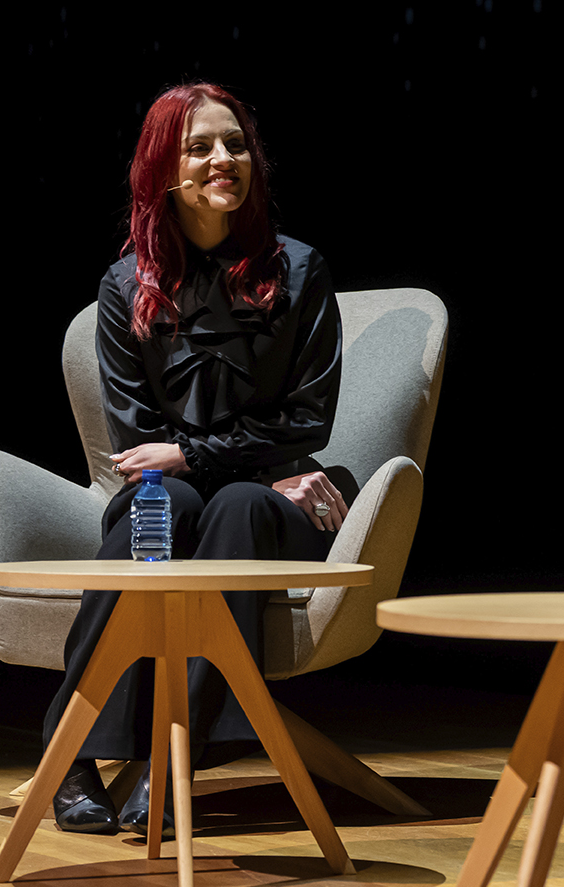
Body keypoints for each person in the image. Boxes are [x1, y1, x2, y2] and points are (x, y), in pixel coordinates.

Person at [45, 83, 350, 835]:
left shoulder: (300, 271)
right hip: (191, 491)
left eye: (236, 144)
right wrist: (211, 460)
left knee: (239, 505)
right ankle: (74, 751)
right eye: (200, 147)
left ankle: (172, 757)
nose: (223, 159)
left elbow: (309, 417)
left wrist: (192, 452)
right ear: (162, 170)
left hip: (269, 503)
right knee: (161, 507)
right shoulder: (125, 287)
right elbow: (136, 439)